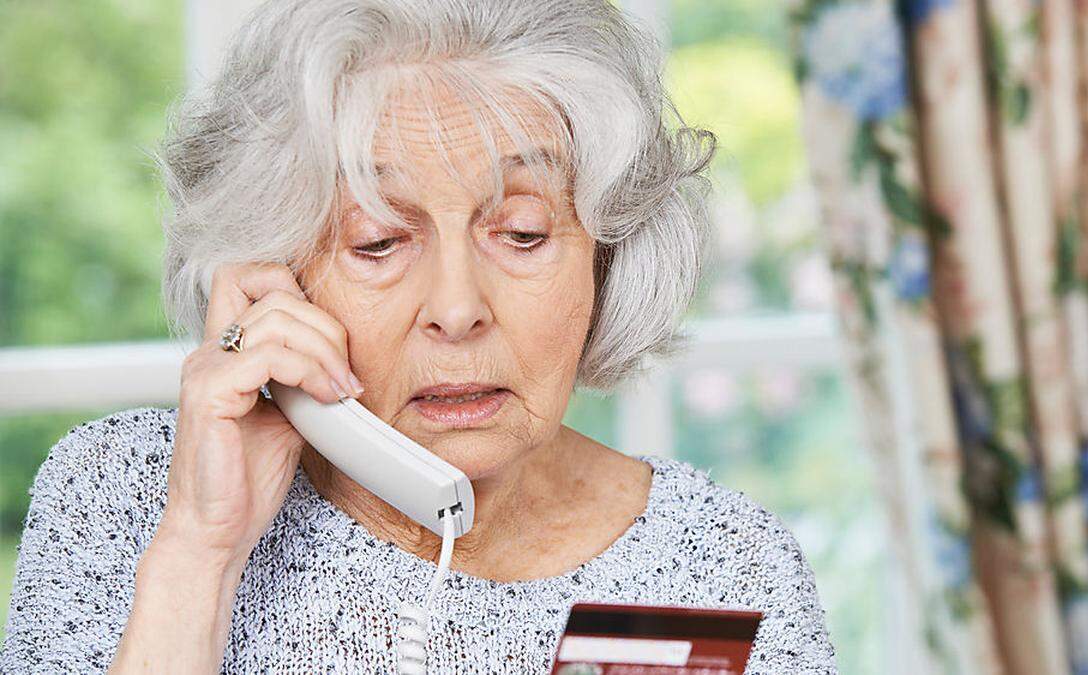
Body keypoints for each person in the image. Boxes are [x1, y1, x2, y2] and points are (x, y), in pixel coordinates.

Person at [0, 0, 837, 672]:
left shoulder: (730, 564)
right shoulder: (121, 498)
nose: (457, 307)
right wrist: (201, 553)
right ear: (274, 275)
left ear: (606, 259)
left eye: (521, 233)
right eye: (376, 242)